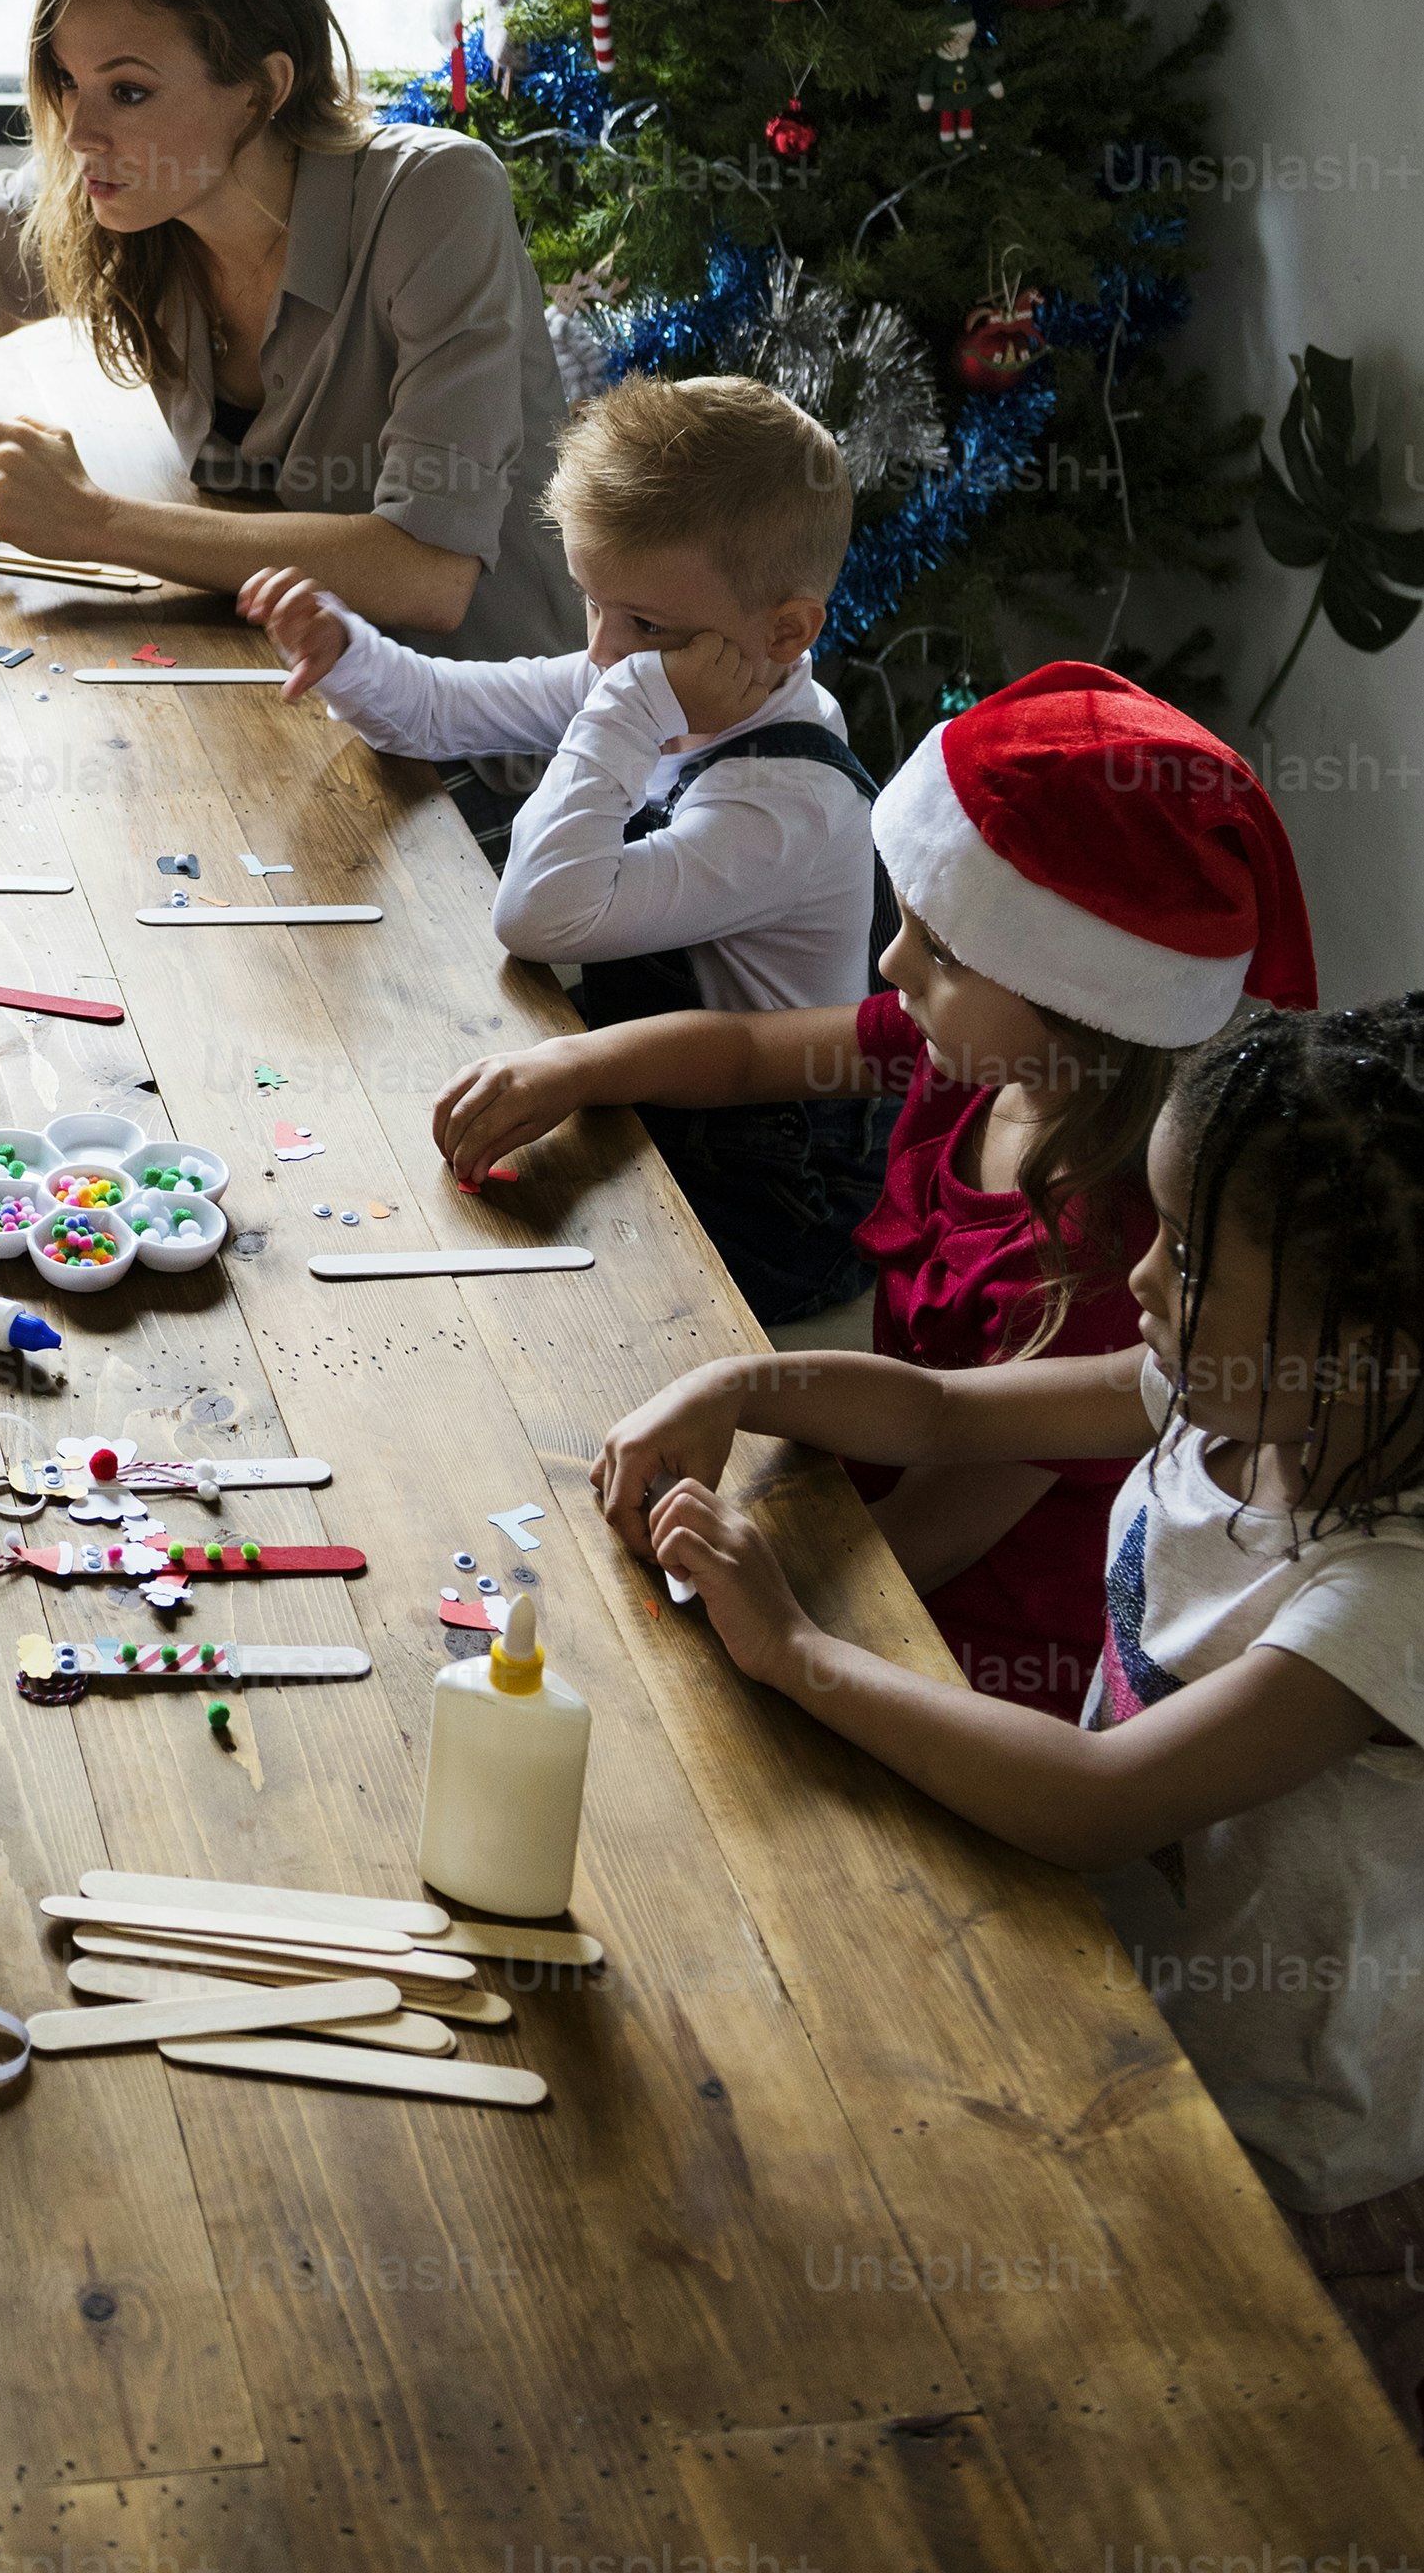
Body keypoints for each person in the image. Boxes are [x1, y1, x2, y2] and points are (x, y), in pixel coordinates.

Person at [596, 999, 1424, 2441]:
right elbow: (939, 1410)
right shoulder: (1228, 1397)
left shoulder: (1391, 1591)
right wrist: (736, 1381)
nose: (1142, 1276)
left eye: (1192, 1260)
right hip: (1118, 2002)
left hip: (1300, 2145)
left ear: (1360, 1341)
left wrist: (796, 1650)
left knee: (1243, 2451)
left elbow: (1101, 1796)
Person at [472, 662, 1316, 1717]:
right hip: (842, 1525)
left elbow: (912, 1552)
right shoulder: (966, 1058)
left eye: (939, 948)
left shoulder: (1101, 1266)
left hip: (946, 1663)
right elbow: (740, 1052)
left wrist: (721, 1595)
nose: (889, 961)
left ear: (1076, 1002)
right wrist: (574, 1066)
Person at [0, 0, 579, 675]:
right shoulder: (109, 190)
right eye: (67, 80)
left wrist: (88, 520)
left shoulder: (433, 195)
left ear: (263, 89)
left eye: (128, 91)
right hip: (268, 682)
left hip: (476, 747)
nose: (77, 133)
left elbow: (428, 573)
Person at [243, 371, 888, 1320]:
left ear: (783, 631)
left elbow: (539, 916)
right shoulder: (647, 674)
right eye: (592, 601)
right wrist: (347, 651)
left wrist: (623, 707)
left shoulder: (782, 801)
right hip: (661, 1104)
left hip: (775, 1201)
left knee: (521, 1314)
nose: (598, 650)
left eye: (643, 626)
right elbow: (436, 709)